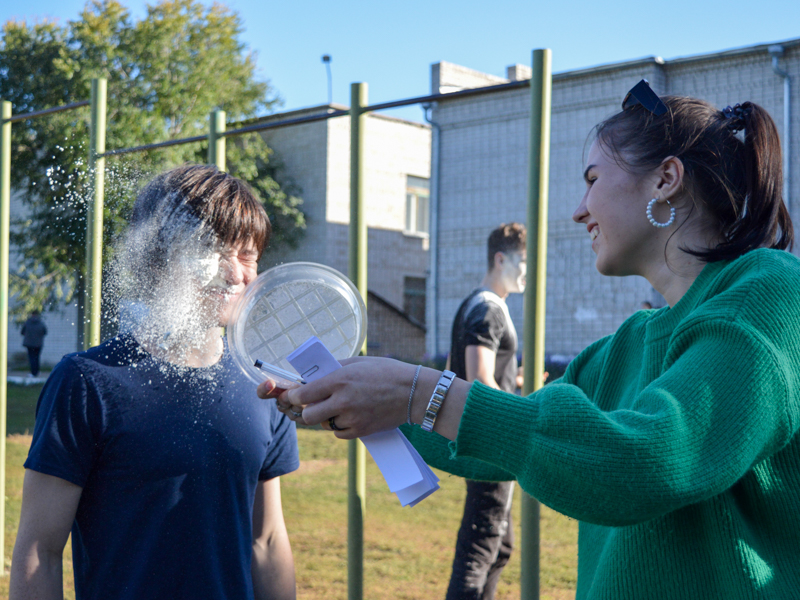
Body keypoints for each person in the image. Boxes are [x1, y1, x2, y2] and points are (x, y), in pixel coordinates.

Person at [263, 81, 800, 598]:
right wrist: (353, 394)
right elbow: (505, 441)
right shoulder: (623, 348)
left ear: (665, 179)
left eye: (592, 178)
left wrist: (416, 393)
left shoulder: (771, 291)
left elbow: (645, 462)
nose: (578, 209)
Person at [10, 165, 300, 600]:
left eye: (247, 255)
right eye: (212, 249)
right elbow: (40, 551)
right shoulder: (87, 382)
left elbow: (268, 541)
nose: (234, 272)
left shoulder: (263, 387)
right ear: (160, 255)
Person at [445, 222, 525, 600]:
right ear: (500, 259)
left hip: (478, 436)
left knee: (500, 546)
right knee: (480, 548)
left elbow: (455, 369)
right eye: (523, 261)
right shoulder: (488, 310)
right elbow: (478, 379)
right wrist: (515, 422)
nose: (527, 271)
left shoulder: (472, 303)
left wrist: (516, 379)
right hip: (492, 439)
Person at [21, 310, 47, 377]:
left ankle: (33, 372)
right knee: (37, 357)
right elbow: (45, 332)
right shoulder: (41, 323)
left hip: (29, 344)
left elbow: (22, 332)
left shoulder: (27, 323)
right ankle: (36, 372)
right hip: (38, 344)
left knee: (31, 358)